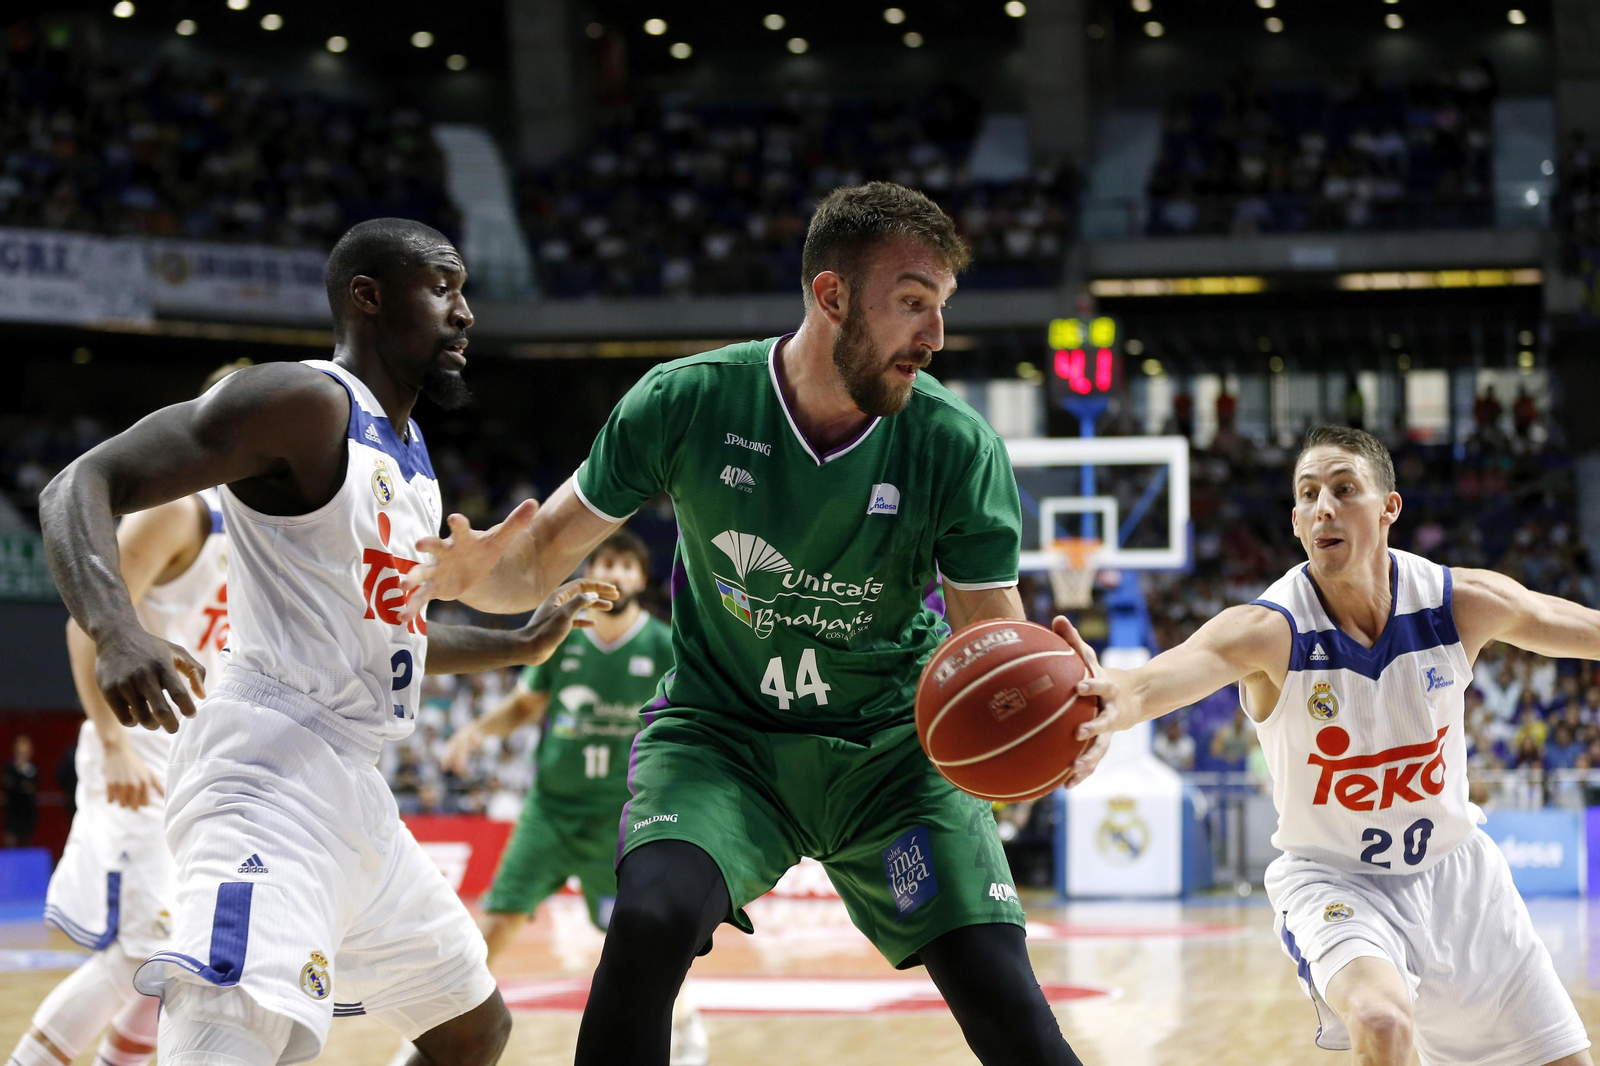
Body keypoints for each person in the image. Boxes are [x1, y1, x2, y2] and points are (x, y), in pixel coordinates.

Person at [400, 182, 1107, 1066]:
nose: (934, 337)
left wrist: (1053, 712)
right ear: (832, 295)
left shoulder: (955, 444)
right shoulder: (688, 401)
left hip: (891, 752)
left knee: (1005, 999)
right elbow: (539, 554)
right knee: (649, 920)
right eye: (914, 304)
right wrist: (469, 579)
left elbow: (987, 638)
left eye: (940, 309)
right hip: (723, 739)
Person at [39, 218, 617, 1066]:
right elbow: (79, 482)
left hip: (351, 785)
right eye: (443, 287)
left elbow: (385, 635)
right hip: (265, 776)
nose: (464, 313)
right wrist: (116, 625)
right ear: (368, 297)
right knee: (236, 1042)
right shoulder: (303, 402)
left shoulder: (410, 452)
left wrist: (518, 641)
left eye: (465, 292)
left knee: (471, 1028)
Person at [1063, 425, 1592, 1066]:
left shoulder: (1456, 604)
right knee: (1380, 1019)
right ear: (1294, 521)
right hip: (1338, 880)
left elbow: (1561, 621)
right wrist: (1115, 697)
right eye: (1309, 494)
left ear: (1389, 507)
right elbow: (1156, 679)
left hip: (1458, 875)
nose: (1324, 507)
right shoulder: (1271, 630)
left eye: (1344, 489)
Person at [393, 530, 708, 1066]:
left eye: (629, 565)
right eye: (608, 561)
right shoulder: (568, 639)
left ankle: (685, 1025)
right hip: (551, 810)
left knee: (638, 947)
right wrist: (474, 733)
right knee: (492, 928)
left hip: (621, 819)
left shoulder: (663, 644)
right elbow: (523, 706)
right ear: (595, 572)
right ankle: (426, 1044)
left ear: (641, 577)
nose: (618, 574)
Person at [6, 363, 240, 1066]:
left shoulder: (272, 526)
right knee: (140, 945)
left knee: (183, 951)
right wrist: (111, 743)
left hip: (205, 757)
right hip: (140, 742)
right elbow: (88, 627)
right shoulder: (180, 509)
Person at [2, 736, 38, 847]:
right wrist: (22, 784)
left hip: (27, 814)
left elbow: (34, 787)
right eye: (20, 752)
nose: (23, 755)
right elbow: (9, 786)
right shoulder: (9, 768)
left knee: (26, 845)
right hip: (12, 814)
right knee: (11, 845)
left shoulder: (33, 769)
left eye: (25, 752)